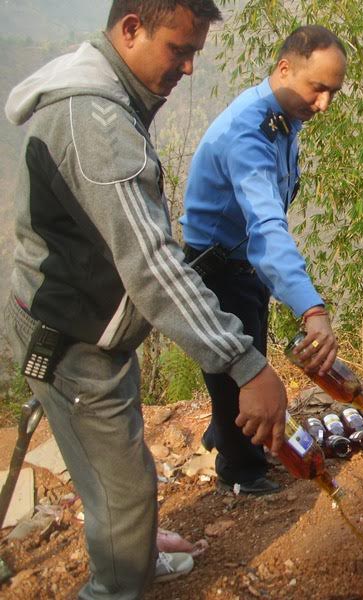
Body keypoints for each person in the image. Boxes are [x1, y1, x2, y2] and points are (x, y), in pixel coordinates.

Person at [3, 1, 290, 596]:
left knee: (120, 468)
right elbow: (154, 266)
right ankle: (117, 581)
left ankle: (128, 549)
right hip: (72, 339)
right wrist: (246, 363)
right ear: (131, 29)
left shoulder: (105, 91)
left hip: (87, 323)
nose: (188, 68)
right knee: (125, 490)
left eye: (194, 53)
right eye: (179, 50)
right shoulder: (97, 123)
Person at [180, 25, 346, 495]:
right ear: (284, 69)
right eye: (317, 88)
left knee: (245, 354)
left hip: (243, 265)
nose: (323, 104)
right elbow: (267, 228)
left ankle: (222, 434)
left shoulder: (282, 119)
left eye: (332, 93)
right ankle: (240, 472)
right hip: (219, 269)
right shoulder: (249, 133)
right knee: (239, 368)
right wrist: (311, 309)